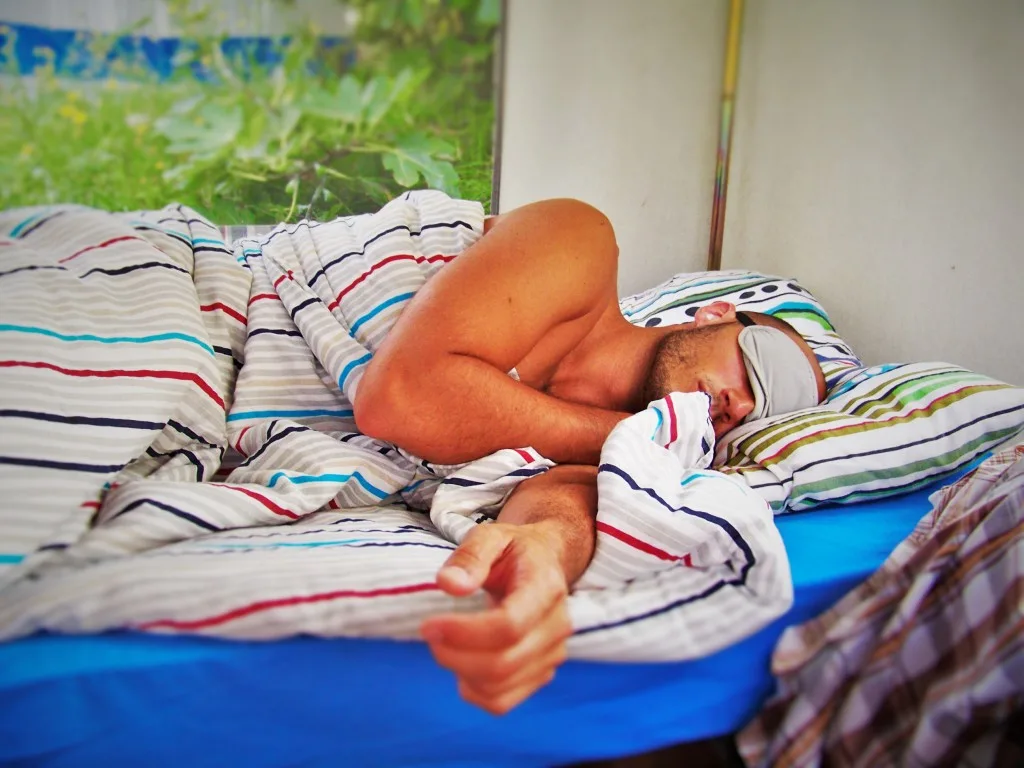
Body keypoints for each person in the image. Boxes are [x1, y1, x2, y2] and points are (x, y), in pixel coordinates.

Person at [353, 198, 827, 715]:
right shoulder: (581, 241)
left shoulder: (607, 455)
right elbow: (399, 397)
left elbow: (557, 508)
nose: (743, 405)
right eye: (758, 370)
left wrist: (543, 552)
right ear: (713, 316)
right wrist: (634, 434)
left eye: (764, 412)